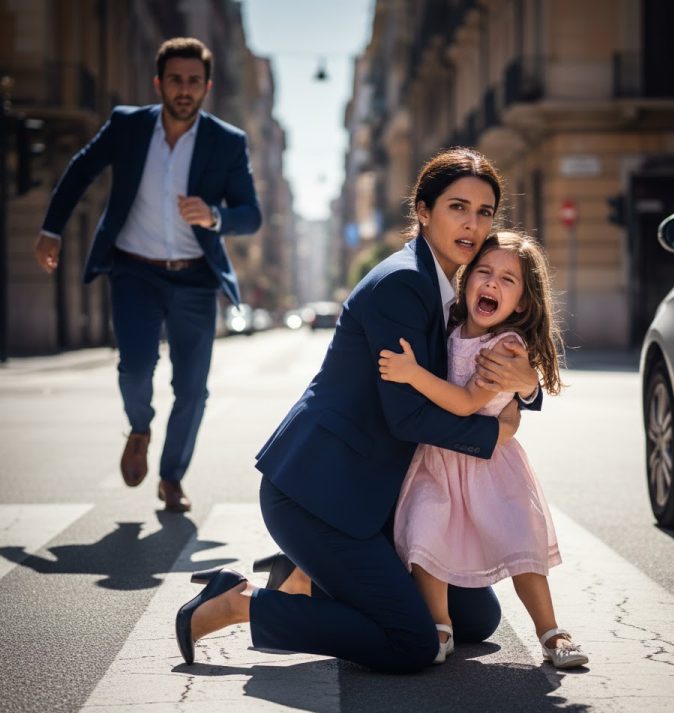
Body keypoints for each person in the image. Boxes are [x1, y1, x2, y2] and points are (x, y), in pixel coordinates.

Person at [175, 148, 542, 673]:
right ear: (422, 210)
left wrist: (526, 390)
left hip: (372, 495)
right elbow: (407, 417)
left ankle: (306, 574)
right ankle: (240, 602)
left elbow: (499, 356)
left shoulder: (455, 286)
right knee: (412, 643)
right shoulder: (402, 284)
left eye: (485, 212)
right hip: (317, 493)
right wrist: (495, 435)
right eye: (458, 207)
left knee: (475, 618)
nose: (472, 223)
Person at [34, 38, 262, 512]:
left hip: (196, 278)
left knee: (193, 388)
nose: (184, 90)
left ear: (207, 87)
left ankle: (172, 477)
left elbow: (251, 214)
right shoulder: (128, 126)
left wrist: (214, 216)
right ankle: (140, 428)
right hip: (134, 271)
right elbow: (80, 171)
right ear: (158, 83)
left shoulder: (227, 141)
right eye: (175, 80)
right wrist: (51, 228)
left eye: (193, 82)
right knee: (134, 369)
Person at [379, 230, 588, 668]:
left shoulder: (505, 347)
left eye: (508, 280)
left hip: (490, 466)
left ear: (524, 304)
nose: (492, 283)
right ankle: (440, 627)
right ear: (467, 279)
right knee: (426, 535)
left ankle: (550, 631)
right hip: (437, 462)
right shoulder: (450, 325)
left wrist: (412, 374)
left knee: (520, 543)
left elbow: (468, 403)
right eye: (485, 272)